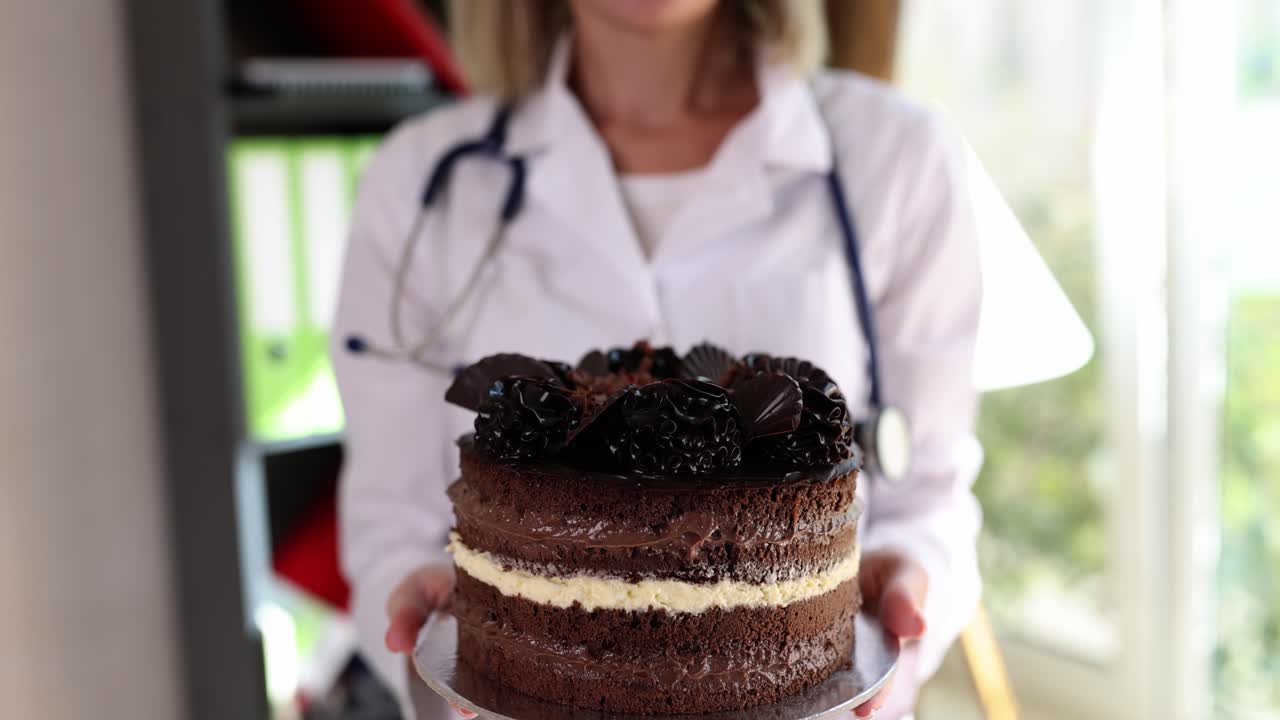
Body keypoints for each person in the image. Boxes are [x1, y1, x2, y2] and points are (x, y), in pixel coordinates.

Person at [333, 1, 983, 718]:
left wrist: (911, 578)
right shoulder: (422, 179)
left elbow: (928, 500)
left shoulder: (896, 153)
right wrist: (421, 604)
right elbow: (390, 523)